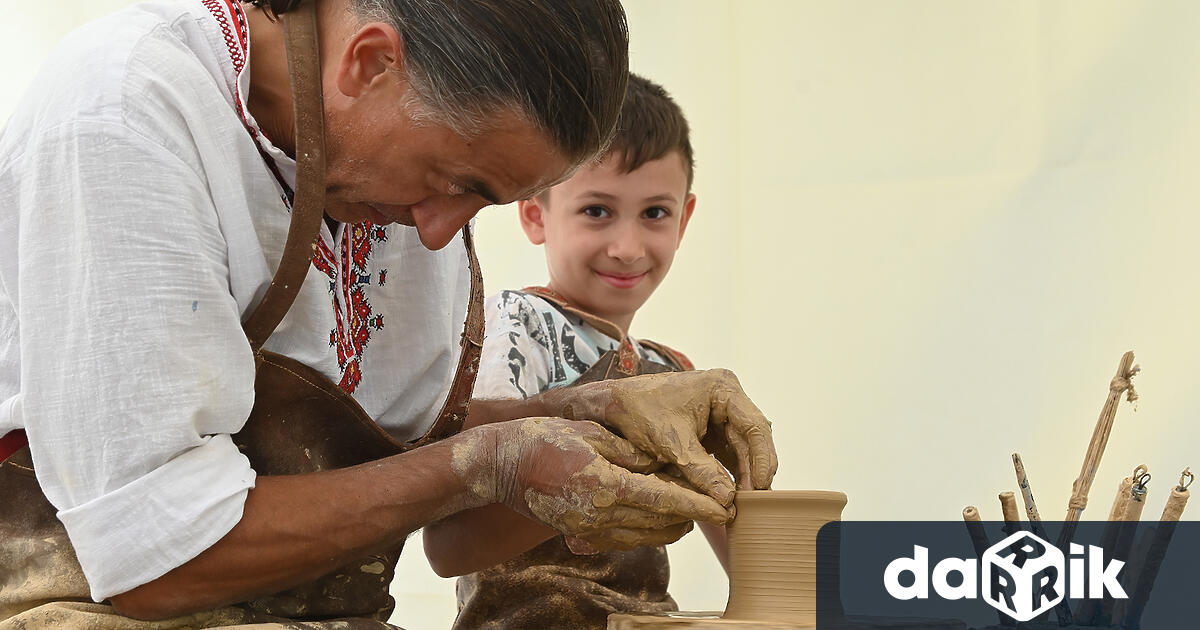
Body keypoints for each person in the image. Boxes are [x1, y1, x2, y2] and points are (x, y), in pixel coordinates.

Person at [0, 0, 777, 628]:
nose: (442, 230)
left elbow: (398, 456)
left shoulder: (385, 179)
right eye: (453, 179)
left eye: (483, 202)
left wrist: (587, 411)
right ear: (369, 62)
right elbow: (154, 554)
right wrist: (492, 461)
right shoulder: (127, 109)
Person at [424, 74, 730, 630]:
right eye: (597, 211)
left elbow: (758, 551)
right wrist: (596, 477)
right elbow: (450, 548)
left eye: (654, 214)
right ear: (535, 214)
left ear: (684, 220)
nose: (627, 247)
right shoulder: (515, 330)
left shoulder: (675, 375)